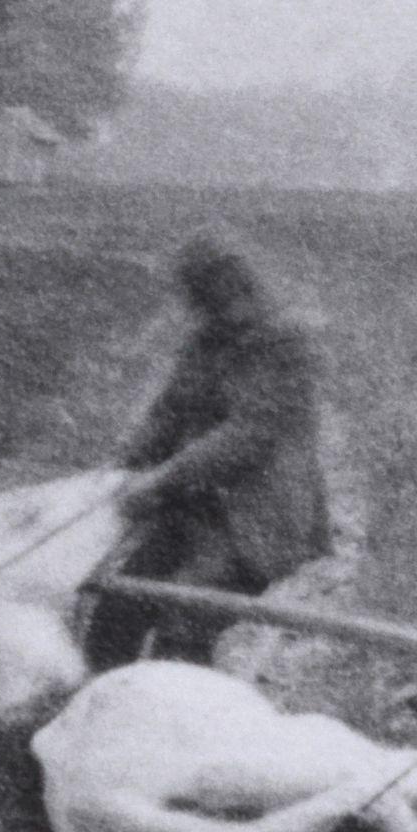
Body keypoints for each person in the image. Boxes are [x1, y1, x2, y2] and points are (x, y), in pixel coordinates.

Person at [80, 236, 332, 674]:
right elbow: (169, 412)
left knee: (184, 625)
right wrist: (123, 464)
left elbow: (246, 436)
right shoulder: (205, 341)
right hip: (196, 510)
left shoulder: (282, 344)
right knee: (118, 609)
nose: (224, 308)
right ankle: (96, 714)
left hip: (258, 520)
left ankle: (174, 729)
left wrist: (162, 478)